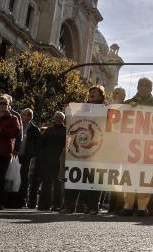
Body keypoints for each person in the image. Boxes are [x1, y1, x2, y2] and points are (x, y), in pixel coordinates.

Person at [62, 86, 106, 214]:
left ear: (100, 96)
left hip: (96, 150)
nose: (91, 93)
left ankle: (92, 206)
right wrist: (70, 111)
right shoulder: (81, 108)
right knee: (74, 177)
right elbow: (72, 125)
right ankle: (69, 205)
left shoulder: (106, 109)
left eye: (95, 92)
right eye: (90, 92)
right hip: (79, 149)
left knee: (94, 179)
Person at [122, 78, 153, 216]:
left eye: (147, 86)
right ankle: (128, 205)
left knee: (145, 178)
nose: (144, 88)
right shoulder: (127, 104)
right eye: (142, 85)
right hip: (130, 148)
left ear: (151, 89)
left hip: (148, 149)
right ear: (137, 87)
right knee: (129, 177)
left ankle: (143, 207)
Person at [37, 111, 67, 211]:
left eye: (60, 117)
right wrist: (42, 158)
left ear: (63, 119)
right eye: (57, 117)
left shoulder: (66, 131)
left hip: (60, 161)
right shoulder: (48, 130)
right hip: (47, 160)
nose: (58, 119)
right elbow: (42, 145)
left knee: (58, 184)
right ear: (54, 118)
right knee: (46, 183)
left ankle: (57, 205)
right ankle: (44, 204)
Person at [17, 108, 42, 208]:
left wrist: (31, 154)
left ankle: (21, 200)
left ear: (30, 117)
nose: (23, 116)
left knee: (23, 178)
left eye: (26, 114)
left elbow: (39, 144)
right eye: (22, 114)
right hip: (14, 156)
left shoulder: (35, 129)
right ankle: (10, 198)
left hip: (26, 157)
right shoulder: (17, 124)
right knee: (12, 176)